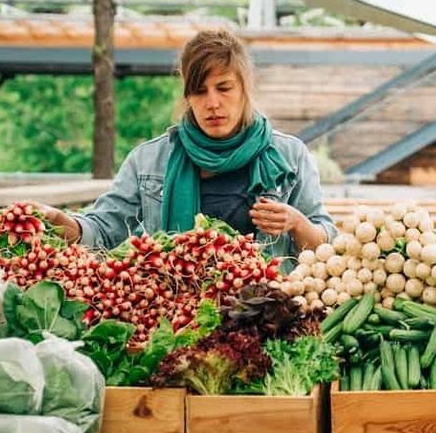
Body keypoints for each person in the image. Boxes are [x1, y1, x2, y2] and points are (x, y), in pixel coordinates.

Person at [39, 29, 336, 263]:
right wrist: (64, 223)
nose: (212, 103)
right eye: (199, 91)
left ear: (245, 88)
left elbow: (326, 247)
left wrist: (297, 223)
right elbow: (105, 228)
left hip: (262, 311)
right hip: (176, 312)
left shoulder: (289, 155)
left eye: (224, 88)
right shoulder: (149, 160)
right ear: (186, 94)